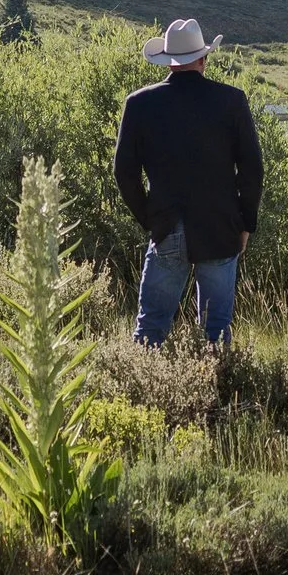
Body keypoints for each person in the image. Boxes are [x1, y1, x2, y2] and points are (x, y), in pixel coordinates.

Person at [113, 19, 264, 348]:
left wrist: (150, 219)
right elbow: (252, 171)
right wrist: (245, 224)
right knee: (216, 329)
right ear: (203, 59)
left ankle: (139, 394)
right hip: (221, 226)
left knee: (151, 327)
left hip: (168, 226)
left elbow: (124, 173)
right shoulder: (231, 101)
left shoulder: (139, 104)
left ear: (168, 61)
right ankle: (223, 395)